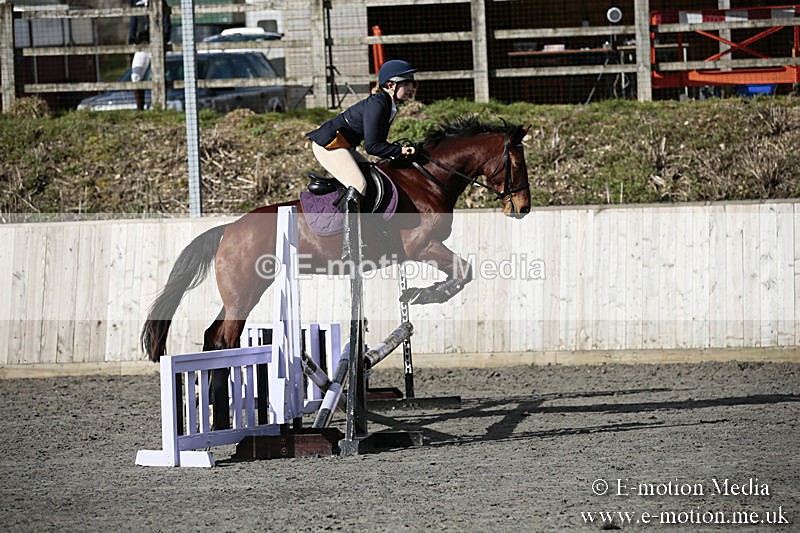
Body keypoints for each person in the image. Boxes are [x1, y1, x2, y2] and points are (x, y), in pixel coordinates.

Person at [306, 59, 419, 206]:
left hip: (341, 146)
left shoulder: (387, 104)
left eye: (411, 84)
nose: (411, 88)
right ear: (391, 85)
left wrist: (397, 152)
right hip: (328, 145)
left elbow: (378, 145)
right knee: (359, 185)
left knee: (372, 176)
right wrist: (400, 150)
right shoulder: (378, 104)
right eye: (406, 84)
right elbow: (372, 146)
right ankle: (350, 229)